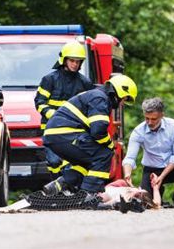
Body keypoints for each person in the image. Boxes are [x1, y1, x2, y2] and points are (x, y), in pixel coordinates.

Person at [41, 74, 138, 202]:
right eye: (124, 99)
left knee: (86, 161)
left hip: (57, 135)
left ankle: (61, 184)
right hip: (65, 133)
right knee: (104, 154)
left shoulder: (95, 95)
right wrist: (109, 144)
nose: (122, 103)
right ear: (119, 92)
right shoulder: (100, 98)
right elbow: (98, 131)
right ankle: (89, 194)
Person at [122, 97, 174, 209]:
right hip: (151, 171)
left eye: (154, 119)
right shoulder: (138, 131)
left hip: (171, 168)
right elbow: (129, 158)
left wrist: (161, 177)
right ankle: (159, 193)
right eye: (146, 118)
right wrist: (127, 174)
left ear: (162, 115)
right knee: (147, 204)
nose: (149, 122)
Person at [34, 41, 94, 175]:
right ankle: (57, 188)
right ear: (64, 60)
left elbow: (90, 108)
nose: (75, 64)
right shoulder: (49, 79)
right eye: (72, 60)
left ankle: (68, 191)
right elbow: (39, 102)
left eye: (78, 61)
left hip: (74, 131)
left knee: (70, 164)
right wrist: (55, 116)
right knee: (54, 162)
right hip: (51, 130)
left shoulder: (85, 83)